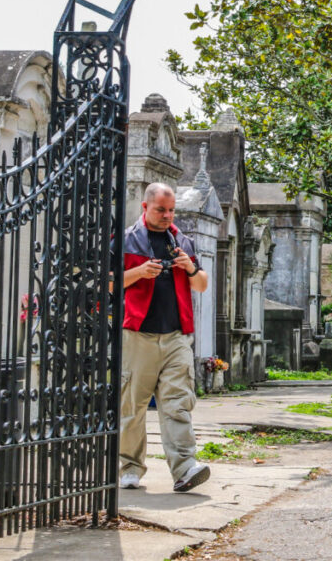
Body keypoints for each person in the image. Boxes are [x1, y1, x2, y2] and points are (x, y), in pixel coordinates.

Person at [119, 183, 211, 492]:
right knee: (133, 406)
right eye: (161, 209)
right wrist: (139, 273)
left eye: (171, 210)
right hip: (138, 334)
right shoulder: (126, 240)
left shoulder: (182, 240)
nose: (167, 215)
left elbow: (201, 284)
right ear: (145, 207)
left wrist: (189, 269)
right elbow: (105, 284)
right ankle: (130, 467)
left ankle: (185, 469)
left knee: (177, 403)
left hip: (176, 335)